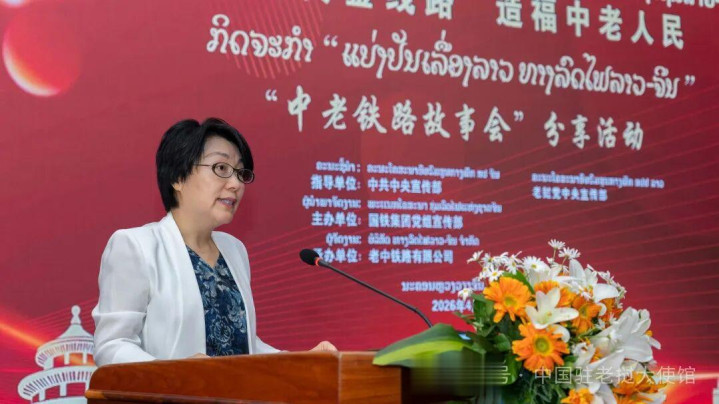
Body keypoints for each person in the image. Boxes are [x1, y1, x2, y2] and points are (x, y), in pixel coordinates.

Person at [92, 118, 335, 366]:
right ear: (178, 177)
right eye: (221, 168)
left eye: (240, 173)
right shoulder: (136, 246)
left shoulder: (234, 249)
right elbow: (113, 345)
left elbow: (242, 345)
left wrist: (297, 361)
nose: (236, 184)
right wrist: (174, 374)